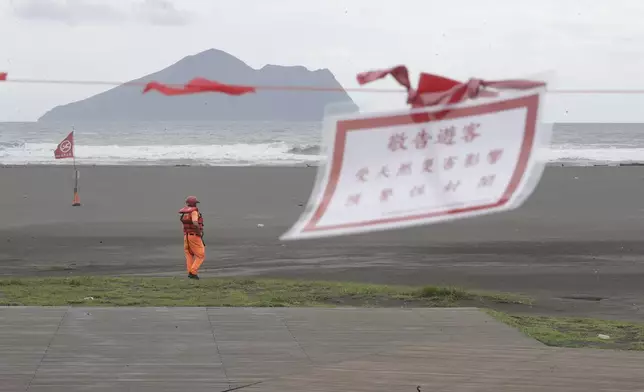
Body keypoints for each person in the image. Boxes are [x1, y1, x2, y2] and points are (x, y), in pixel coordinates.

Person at [179, 196, 205, 279]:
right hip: (194, 236)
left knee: (189, 254)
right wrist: (199, 232)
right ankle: (193, 272)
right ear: (194, 203)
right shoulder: (194, 212)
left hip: (186, 236)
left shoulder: (185, 213)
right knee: (200, 255)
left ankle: (190, 272)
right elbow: (194, 222)